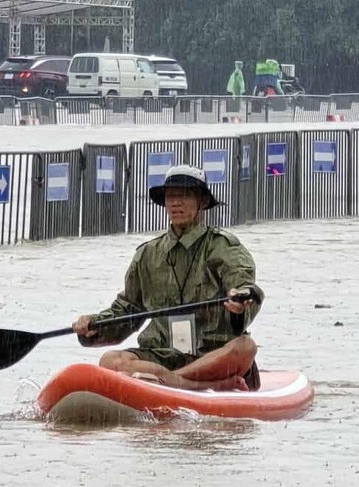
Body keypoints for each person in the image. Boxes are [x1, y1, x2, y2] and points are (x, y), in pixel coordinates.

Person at [72, 165, 264, 392]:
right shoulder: (147, 254)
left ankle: (170, 381)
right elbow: (128, 309)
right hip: (162, 354)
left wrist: (239, 301)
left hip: (212, 353)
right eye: (170, 197)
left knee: (245, 347)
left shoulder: (223, 247)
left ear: (202, 201)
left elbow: (244, 285)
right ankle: (201, 384)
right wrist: (94, 325)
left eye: (184, 196)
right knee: (110, 360)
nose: (175, 203)